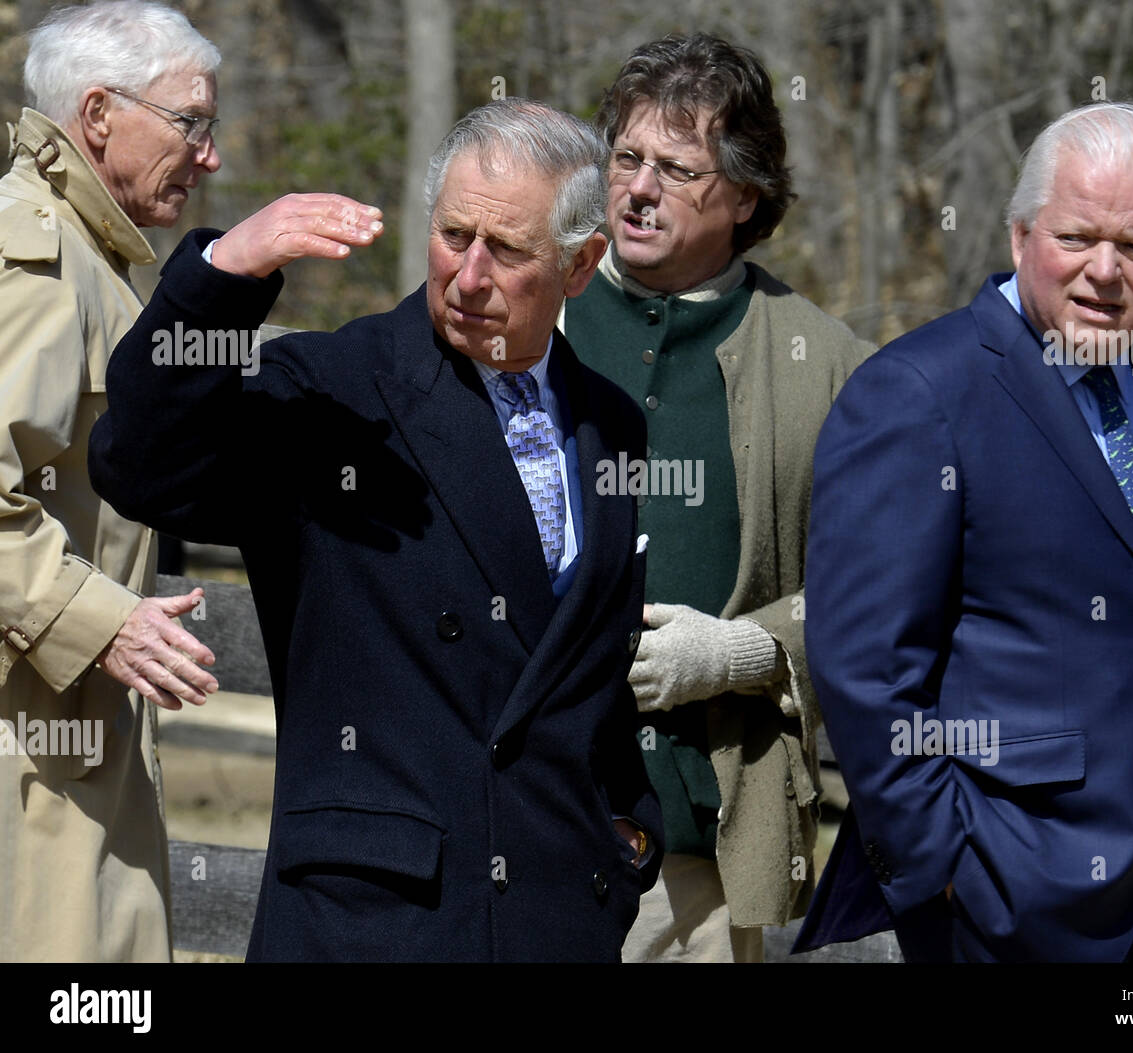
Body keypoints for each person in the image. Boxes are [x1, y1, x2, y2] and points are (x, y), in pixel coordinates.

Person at [88, 98, 662, 962]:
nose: (468, 275)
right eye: (453, 234)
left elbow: (588, 668)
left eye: (506, 250)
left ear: (581, 266)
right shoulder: (337, 390)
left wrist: (629, 831)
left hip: (561, 917)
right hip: (375, 924)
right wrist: (223, 275)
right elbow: (138, 461)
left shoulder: (612, 422)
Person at [798, 102, 1133, 962]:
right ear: (1018, 236)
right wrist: (946, 866)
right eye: (1076, 237)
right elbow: (865, 670)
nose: (1105, 272)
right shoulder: (920, 395)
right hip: (997, 901)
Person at [561, 33, 870, 962]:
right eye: (627, 158)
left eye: (677, 169)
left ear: (743, 196)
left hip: (701, 854)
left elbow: (886, 592)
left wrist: (746, 650)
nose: (639, 188)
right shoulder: (531, 309)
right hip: (519, 826)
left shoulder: (828, 366)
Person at [0, 0, 223, 963]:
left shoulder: (84, 254)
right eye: (191, 123)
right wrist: (110, 620)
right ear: (97, 115)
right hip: (36, 760)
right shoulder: (39, 262)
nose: (208, 155)